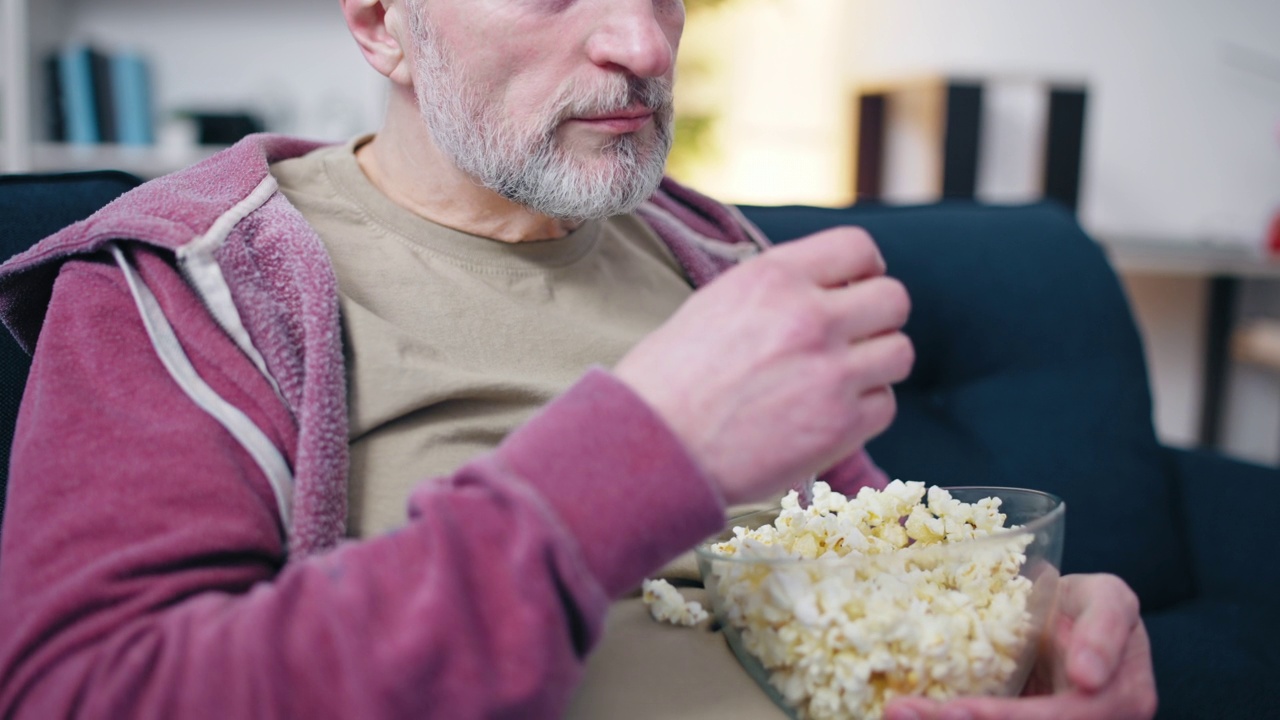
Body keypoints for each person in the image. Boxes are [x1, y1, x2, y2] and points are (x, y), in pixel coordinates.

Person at [0, 0, 1155, 718]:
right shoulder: (180, 282)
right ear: (378, 20)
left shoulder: (718, 259)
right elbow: (92, 696)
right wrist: (639, 453)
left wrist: (1031, 628)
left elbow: (878, 571)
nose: (642, 43)